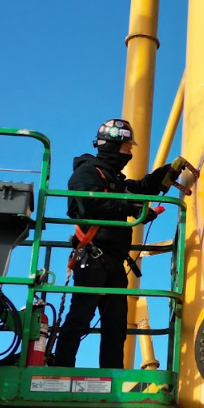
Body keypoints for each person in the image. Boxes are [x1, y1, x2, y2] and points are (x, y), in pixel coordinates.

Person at [52, 119, 187, 370]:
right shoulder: (87, 173)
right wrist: (132, 208)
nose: (130, 153)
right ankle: (61, 371)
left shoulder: (114, 179)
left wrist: (166, 173)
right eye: (126, 147)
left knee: (115, 326)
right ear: (112, 147)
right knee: (80, 318)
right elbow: (89, 205)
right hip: (93, 258)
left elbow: (139, 189)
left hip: (113, 261)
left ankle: (111, 378)